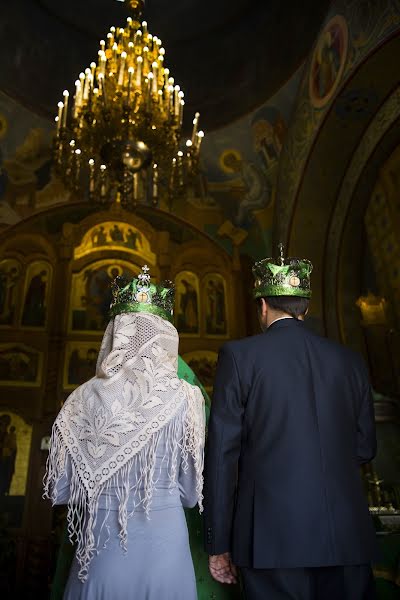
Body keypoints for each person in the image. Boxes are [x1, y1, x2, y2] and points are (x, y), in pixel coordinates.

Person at [204, 244, 378, 600]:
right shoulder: (350, 360)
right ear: (307, 308)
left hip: (270, 538)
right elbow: (365, 446)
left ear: (262, 306)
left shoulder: (239, 356)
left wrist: (218, 541)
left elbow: (222, 456)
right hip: (345, 535)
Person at [44, 265, 205, 600]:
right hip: (165, 550)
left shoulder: (81, 398)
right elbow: (190, 493)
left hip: (100, 554)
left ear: (115, 335)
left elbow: (61, 491)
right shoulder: (185, 397)